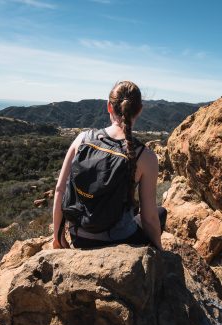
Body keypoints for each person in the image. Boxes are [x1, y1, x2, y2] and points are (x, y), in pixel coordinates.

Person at [52, 81, 165, 250]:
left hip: (79, 236)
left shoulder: (83, 139)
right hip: (120, 240)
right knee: (161, 212)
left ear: (109, 107)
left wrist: (58, 238)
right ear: (139, 110)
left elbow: (60, 190)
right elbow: (149, 217)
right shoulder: (145, 156)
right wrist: (159, 250)